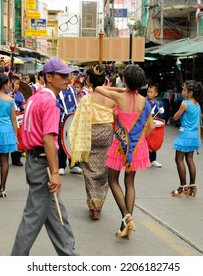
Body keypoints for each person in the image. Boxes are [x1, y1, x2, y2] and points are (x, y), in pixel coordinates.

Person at [11, 58, 78, 256]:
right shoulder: (48, 101)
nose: (68, 79)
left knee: (58, 216)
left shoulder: (34, 98)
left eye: (69, 75)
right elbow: (48, 139)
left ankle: (71, 257)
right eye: (63, 75)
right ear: (49, 77)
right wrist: (55, 172)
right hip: (43, 165)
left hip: (36, 161)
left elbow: (26, 132)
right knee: (32, 220)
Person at [94, 64, 154, 240]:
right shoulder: (144, 102)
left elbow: (98, 88)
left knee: (112, 179)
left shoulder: (119, 97)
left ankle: (127, 217)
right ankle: (125, 227)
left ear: (125, 80)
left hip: (120, 146)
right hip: (137, 147)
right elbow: (149, 127)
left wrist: (121, 89)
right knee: (130, 183)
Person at [69, 65, 115, 220]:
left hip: (89, 134)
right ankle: (99, 204)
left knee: (88, 169)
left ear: (89, 81)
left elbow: (77, 120)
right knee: (103, 169)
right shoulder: (111, 98)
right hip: (106, 134)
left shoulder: (86, 98)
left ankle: (93, 207)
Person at [171, 80, 202, 197]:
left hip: (185, 135)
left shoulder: (185, 104)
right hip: (194, 136)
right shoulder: (197, 105)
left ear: (190, 93)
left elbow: (175, 117)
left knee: (179, 159)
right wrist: (198, 139)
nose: (182, 91)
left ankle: (182, 186)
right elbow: (198, 123)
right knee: (190, 160)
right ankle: (192, 185)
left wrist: (179, 111)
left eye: (184, 90)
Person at [57, 82, 82, 175]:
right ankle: (61, 165)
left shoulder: (72, 89)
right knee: (63, 140)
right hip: (62, 117)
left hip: (72, 117)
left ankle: (74, 164)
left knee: (74, 140)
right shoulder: (58, 89)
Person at [146, 85, 164, 168]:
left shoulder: (158, 103)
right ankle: (145, 159)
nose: (149, 94)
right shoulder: (144, 101)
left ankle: (153, 159)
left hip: (154, 125)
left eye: (151, 92)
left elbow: (159, 115)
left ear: (156, 94)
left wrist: (161, 111)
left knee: (153, 142)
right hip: (145, 125)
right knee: (145, 142)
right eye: (148, 92)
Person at [10, 75, 25, 166]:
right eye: (16, 84)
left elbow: (23, 106)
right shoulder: (6, 94)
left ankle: (16, 159)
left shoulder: (20, 94)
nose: (18, 86)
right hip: (8, 118)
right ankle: (1, 158)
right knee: (7, 139)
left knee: (19, 138)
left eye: (19, 84)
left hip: (18, 119)